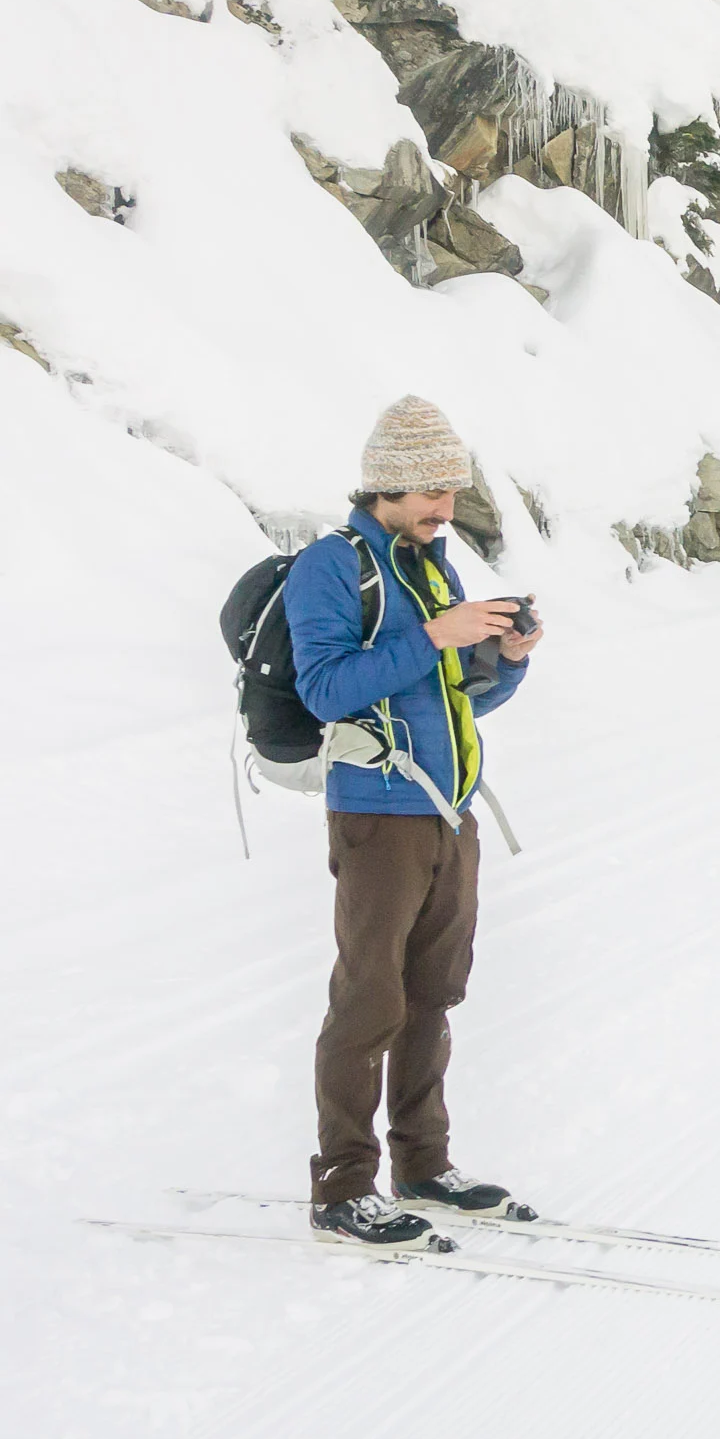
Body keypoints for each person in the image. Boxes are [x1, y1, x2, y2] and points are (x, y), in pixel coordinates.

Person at [287, 396, 542, 1245]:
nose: (446, 507)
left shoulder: (433, 562)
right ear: (387, 485)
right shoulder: (330, 567)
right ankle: (342, 1188)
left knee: (433, 994)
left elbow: (458, 695)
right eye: (433, 490)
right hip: (376, 816)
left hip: (450, 813)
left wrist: (502, 660)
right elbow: (323, 688)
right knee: (369, 1000)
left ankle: (424, 1166)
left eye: (453, 490)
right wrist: (435, 634)